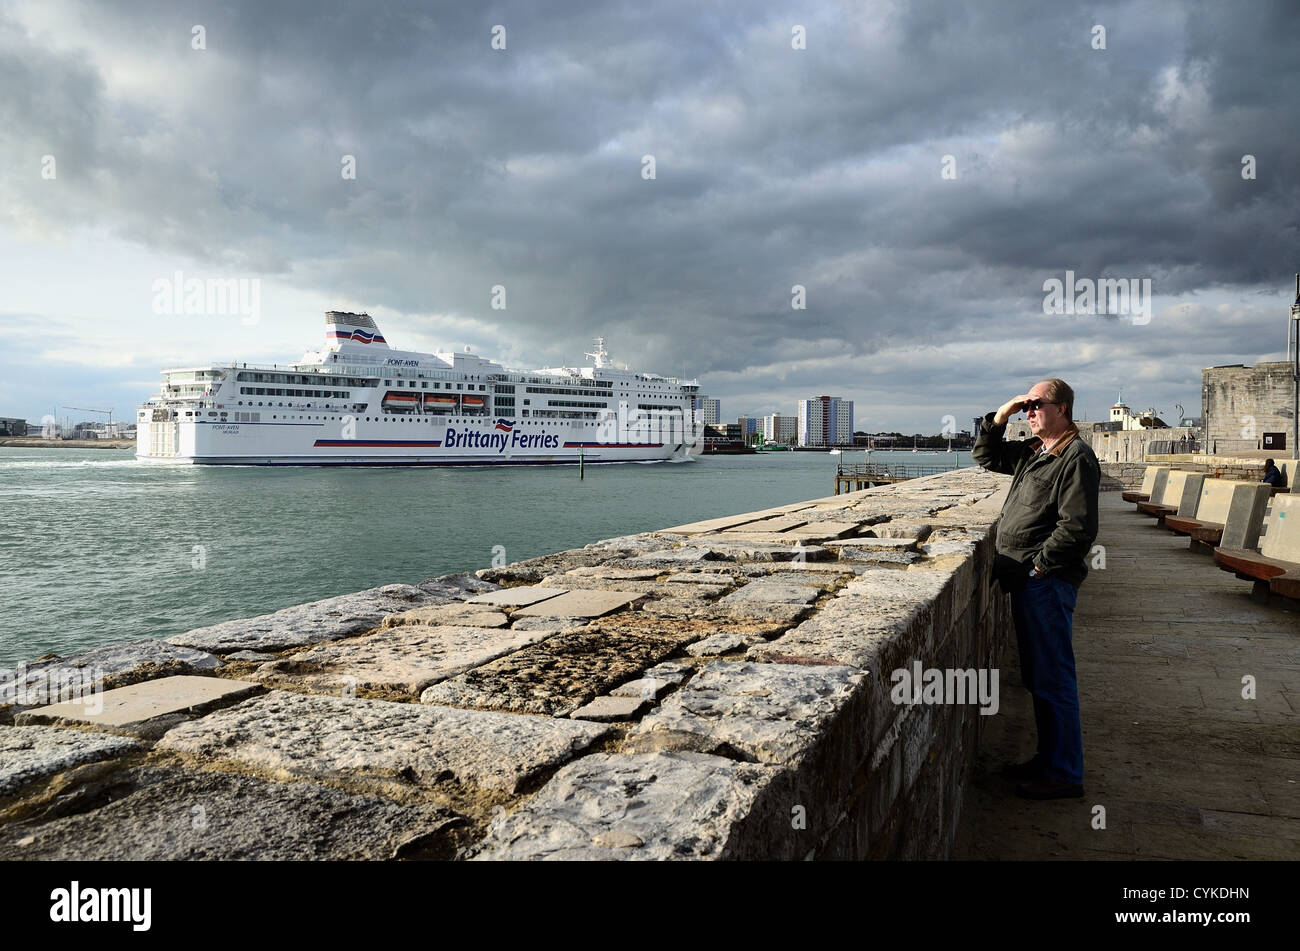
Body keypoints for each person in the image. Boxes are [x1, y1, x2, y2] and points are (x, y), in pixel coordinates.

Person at [972, 379, 1100, 800]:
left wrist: (1039, 567)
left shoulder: (1075, 457)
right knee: (1039, 676)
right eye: (1027, 406)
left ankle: (1064, 773)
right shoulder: (1035, 452)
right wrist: (1003, 412)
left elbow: (1077, 528)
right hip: (1027, 582)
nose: (1030, 412)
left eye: (1036, 405)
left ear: (1062, 408)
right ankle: (1049, 760)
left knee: (1054, 678)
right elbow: (986, 456)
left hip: (1044, 583)